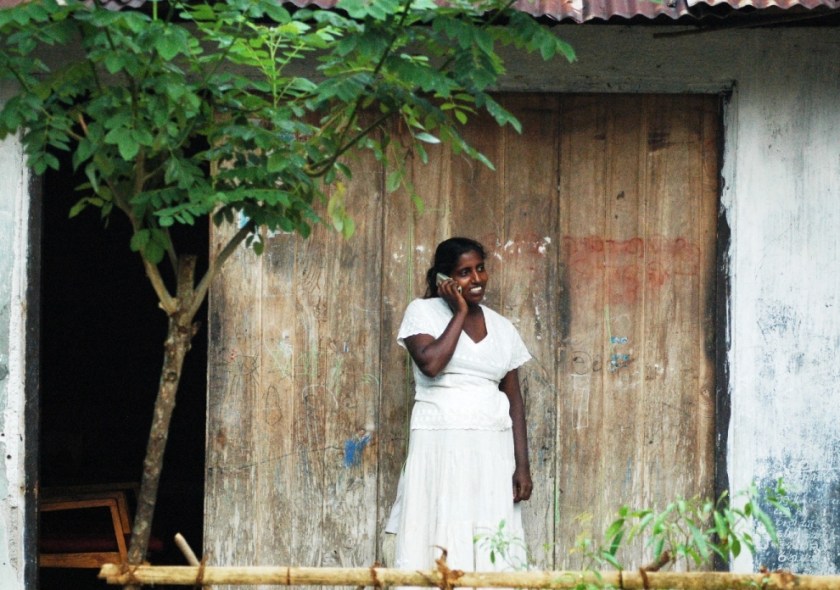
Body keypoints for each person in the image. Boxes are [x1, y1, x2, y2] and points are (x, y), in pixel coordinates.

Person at [384, 237, 533, 574]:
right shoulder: (422, 312)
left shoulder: (503, 328)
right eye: (464, 272)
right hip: (441, 444)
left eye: (480, 268)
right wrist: (460, 312)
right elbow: (431, 364)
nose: (477, 279)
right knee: (439, 526)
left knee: (488, 531)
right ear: (444, 279)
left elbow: (514, 400)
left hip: (492, 449)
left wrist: (522, 466)